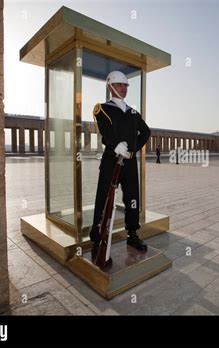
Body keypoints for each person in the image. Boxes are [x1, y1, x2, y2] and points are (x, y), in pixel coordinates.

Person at [91, 70, 151, 263]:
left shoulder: (133, 112)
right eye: (119, 85)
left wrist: (133, 149)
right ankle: (97, 236)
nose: (123, 88)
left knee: (132, 197)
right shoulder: (102, 108)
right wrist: (116, 145)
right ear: (110, 87)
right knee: (103, 197)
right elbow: (104, 131)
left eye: (125, 85)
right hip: (111, 160)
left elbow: (146, 132)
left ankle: (132, 234)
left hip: (130, 162)